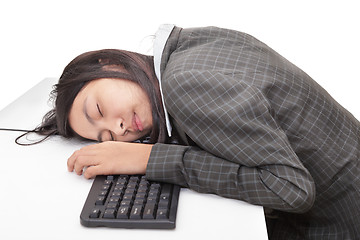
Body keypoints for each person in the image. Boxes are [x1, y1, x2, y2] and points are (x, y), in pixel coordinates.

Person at [29, 24, 360, 239]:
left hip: (338, 222)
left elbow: (291, 189)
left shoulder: (184, 86)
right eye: (108, 138)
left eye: (99, 110)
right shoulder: (190, 46)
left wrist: (152, 158)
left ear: (108, 64)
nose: (117, 128)